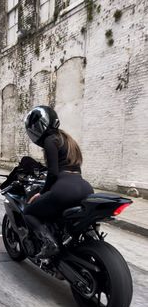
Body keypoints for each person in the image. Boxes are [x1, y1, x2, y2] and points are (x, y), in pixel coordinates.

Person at [24, 105, 94, 258]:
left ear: (37, 128)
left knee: (29, 212)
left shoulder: (51, 140)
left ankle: (50, 243)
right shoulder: (69, 141)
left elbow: (53, 173)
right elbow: (75, 170)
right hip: (85, 188)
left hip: (64, 190)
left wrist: (41, 193)